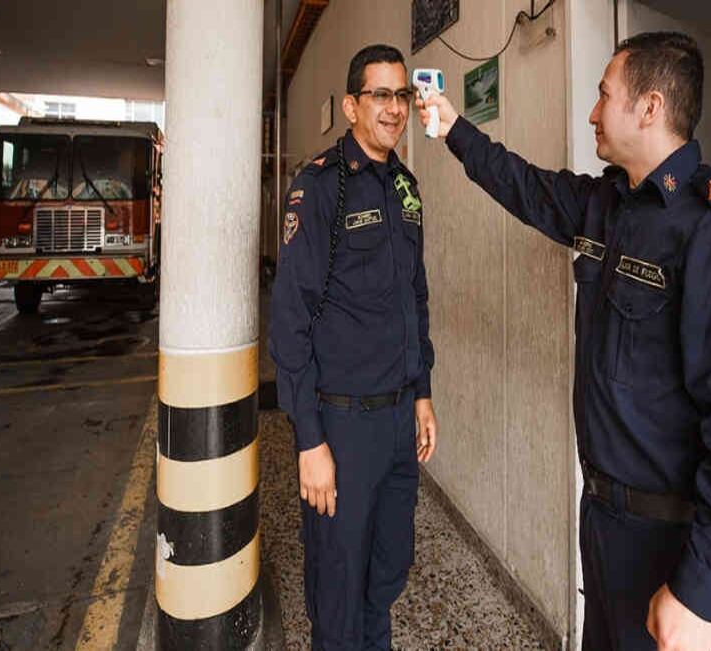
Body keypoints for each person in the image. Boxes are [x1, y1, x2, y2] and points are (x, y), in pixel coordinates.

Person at [418, 31, 711, 651]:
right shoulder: (607, 204)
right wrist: (453, 128)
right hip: (604, 521)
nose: (593, 112)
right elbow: (522, 185)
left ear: (649, 107)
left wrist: (701, 589)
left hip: (675, 541)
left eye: (604, 96)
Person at [269, 43, 438, 651]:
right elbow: (289, 320)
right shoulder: (318, 188)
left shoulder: (406, 187)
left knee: (386, 577)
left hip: (398, 421)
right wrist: (309, 438)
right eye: (381, 95)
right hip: (341, 425)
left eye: (403, 95)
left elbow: (413, 298)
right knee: (337, 592)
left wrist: (422, 394)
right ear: (351, 106)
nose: (395, 109)